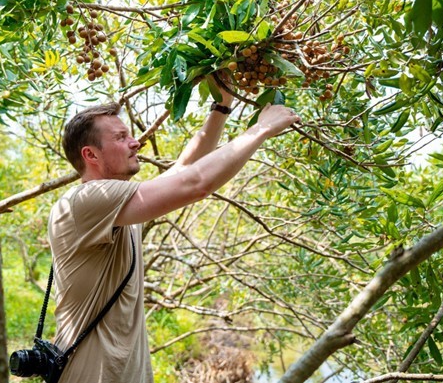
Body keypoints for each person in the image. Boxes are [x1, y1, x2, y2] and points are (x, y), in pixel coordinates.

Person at [47, 79, 301, 383]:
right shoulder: (86, 201)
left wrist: (222, 105)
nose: (135, 142)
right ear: (91, 155)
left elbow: (185, 167)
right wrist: (260, 130)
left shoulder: (117, 207)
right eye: (121, 137)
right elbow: (194, 183)